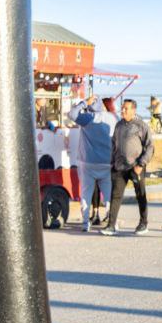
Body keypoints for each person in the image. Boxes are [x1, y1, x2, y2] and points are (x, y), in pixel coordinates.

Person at [102, 98, 154, 236]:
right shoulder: (119, 125)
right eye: (122, 107)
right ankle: (111, 226)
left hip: (136, 167)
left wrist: (141, 164)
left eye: (126, 108)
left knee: (140, 195)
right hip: (119, 167)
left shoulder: (141, 125)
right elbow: (114, 144)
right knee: (115, 196)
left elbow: (150, 147)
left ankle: (143, 223)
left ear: (133, 110)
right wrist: (112, 163)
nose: (123, 110)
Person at [68, 95, 118, 231]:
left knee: (86, 194)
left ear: (90, 107)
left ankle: (86, 223)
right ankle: (113, 222)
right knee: (108, 196)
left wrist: (84, 102)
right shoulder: (113, 118)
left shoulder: (87, 118)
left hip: (88, 163)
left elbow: (72, 114)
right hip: (107, 163)